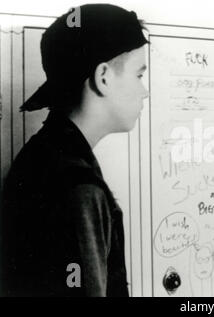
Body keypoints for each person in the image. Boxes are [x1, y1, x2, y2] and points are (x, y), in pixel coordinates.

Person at [0, 4, 149, 296]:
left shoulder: (42, 154)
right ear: (103, 77)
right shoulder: (77, 188)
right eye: (138, 75)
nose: (144, 91)